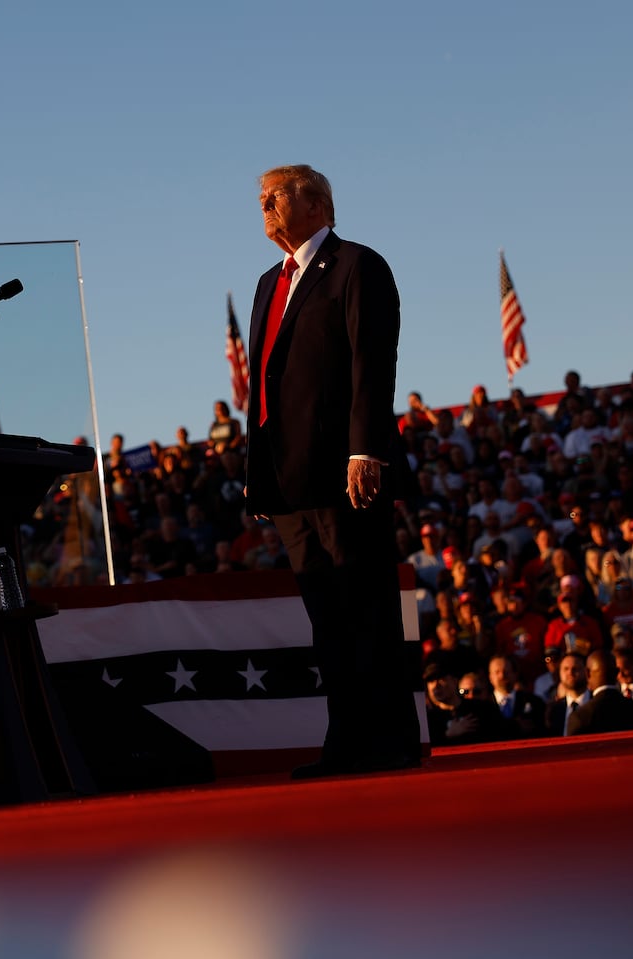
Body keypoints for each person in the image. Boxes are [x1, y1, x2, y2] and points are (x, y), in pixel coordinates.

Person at [243, 163, 418, 777]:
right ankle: (346, 745)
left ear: (316, 204)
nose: (262, 205)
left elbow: (372, 363)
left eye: (274, 196)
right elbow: (264, 383)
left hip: (346, 473)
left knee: (366, 609)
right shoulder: (270, 283)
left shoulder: (356, 265)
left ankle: (392, 742)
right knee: (327, 620)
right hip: (289, 482)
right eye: (259, 198)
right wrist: (257, 470)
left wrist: (366, 449)